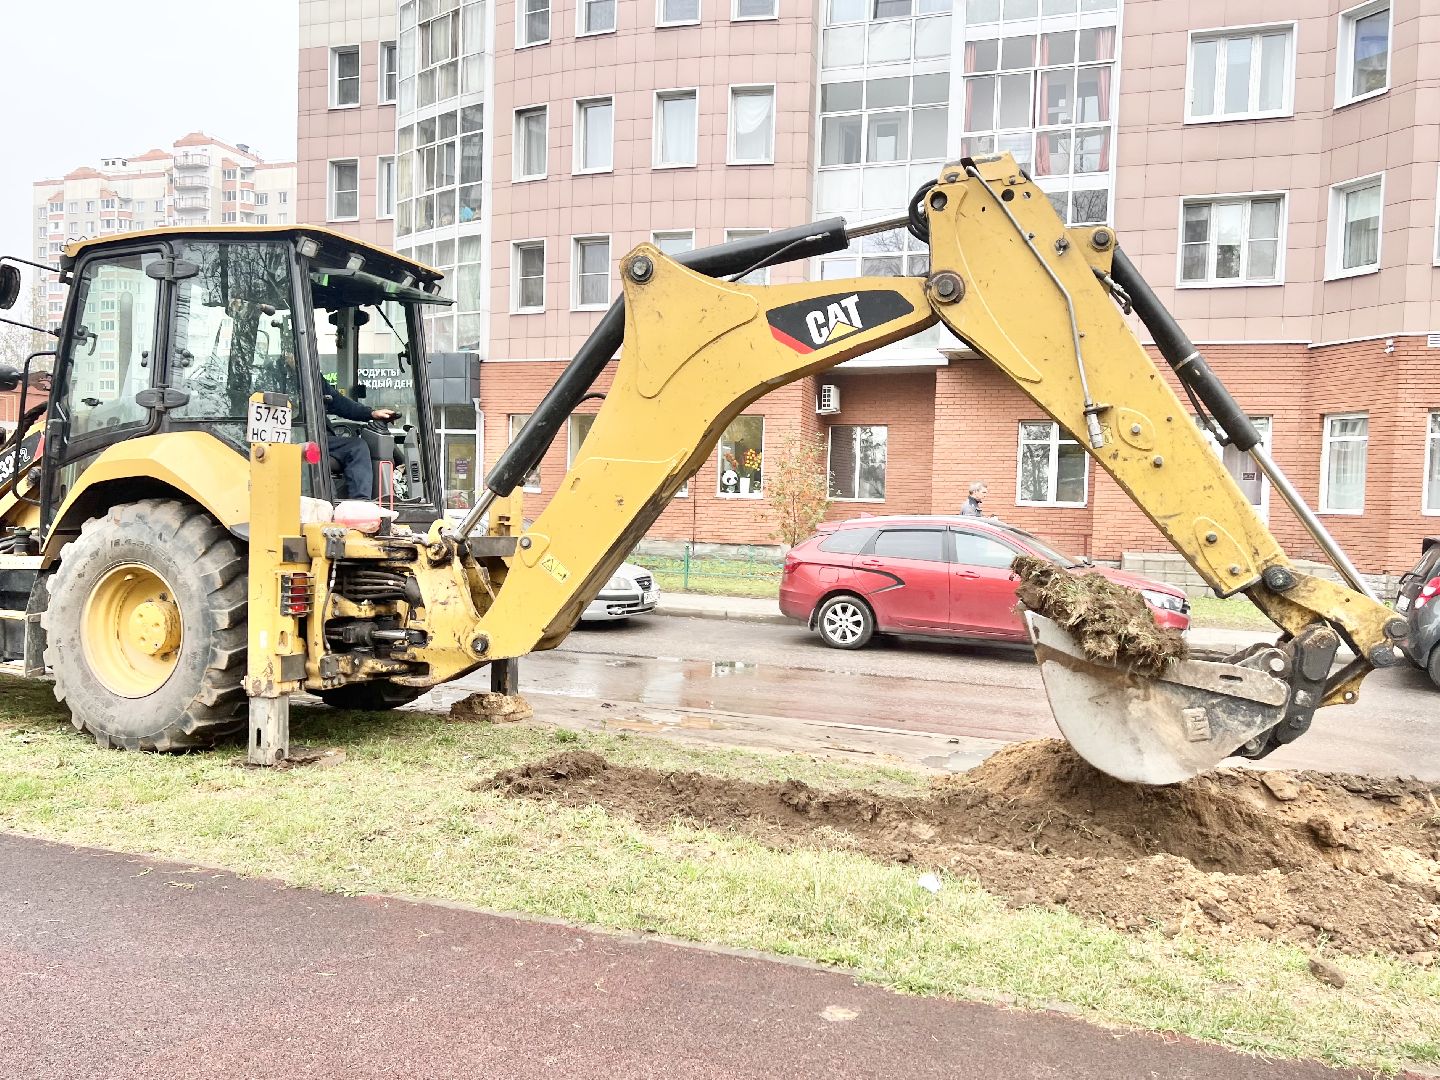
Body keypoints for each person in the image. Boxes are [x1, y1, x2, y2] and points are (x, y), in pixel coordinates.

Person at [323, 385, 398, 501]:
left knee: (356, 447)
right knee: (357, 447)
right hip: (301, 438)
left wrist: (371, 413)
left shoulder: (314, 378)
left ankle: (360, 503)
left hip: (321, 437)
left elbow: (338, 402)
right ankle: (360, 502)